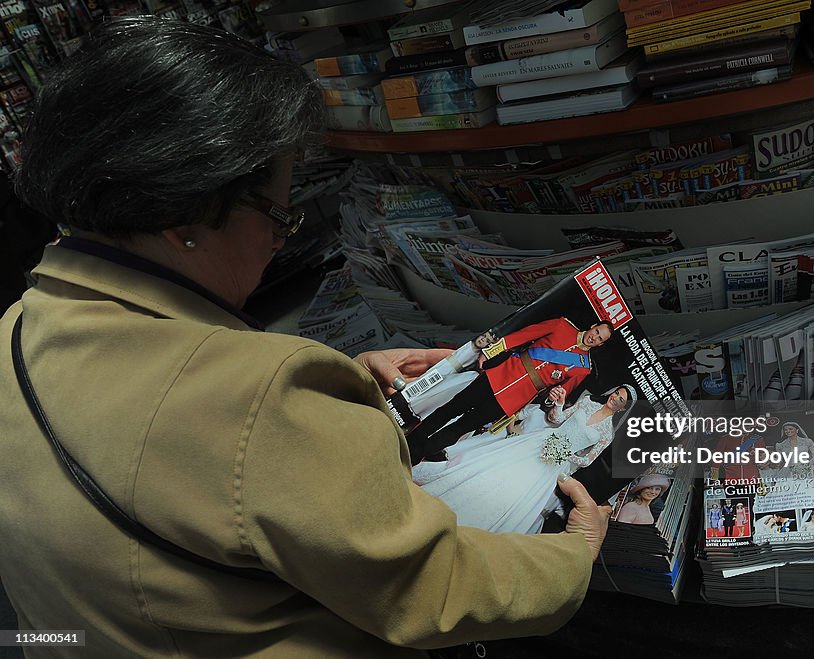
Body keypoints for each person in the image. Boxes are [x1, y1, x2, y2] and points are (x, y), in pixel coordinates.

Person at [0, 18, 611, 657]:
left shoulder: (20, 325)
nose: (278, 239)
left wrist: (331, 402)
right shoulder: (262, 393)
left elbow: (168, 449)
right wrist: (574, 552)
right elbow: (433, 593)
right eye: (277, 214)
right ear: (187, 216)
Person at [411, 386, 635, 534]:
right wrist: (559, 404)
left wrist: (565, 452)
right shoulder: (587, 403)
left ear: (623, 407)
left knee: (518, 489)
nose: (614, 398)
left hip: (557, 461)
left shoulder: (608, 433)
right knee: (497, 468)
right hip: (539, 442)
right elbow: (558, 419)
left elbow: (588, 461)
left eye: (620, 399)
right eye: (616, 393)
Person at [405, 316, 612, 463]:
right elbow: (522, 336)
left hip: (514, 399)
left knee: (463, 426)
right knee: (449, 409)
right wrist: (491, 352)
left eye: (600, 339)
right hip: (500, 374)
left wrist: (555, 398)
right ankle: (412, 440)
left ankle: (418, 453)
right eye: (596, 332)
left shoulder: (584, 368)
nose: (594, 338)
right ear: (593, 326)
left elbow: (558, 395)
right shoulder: (561, 325)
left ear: (601, 345)